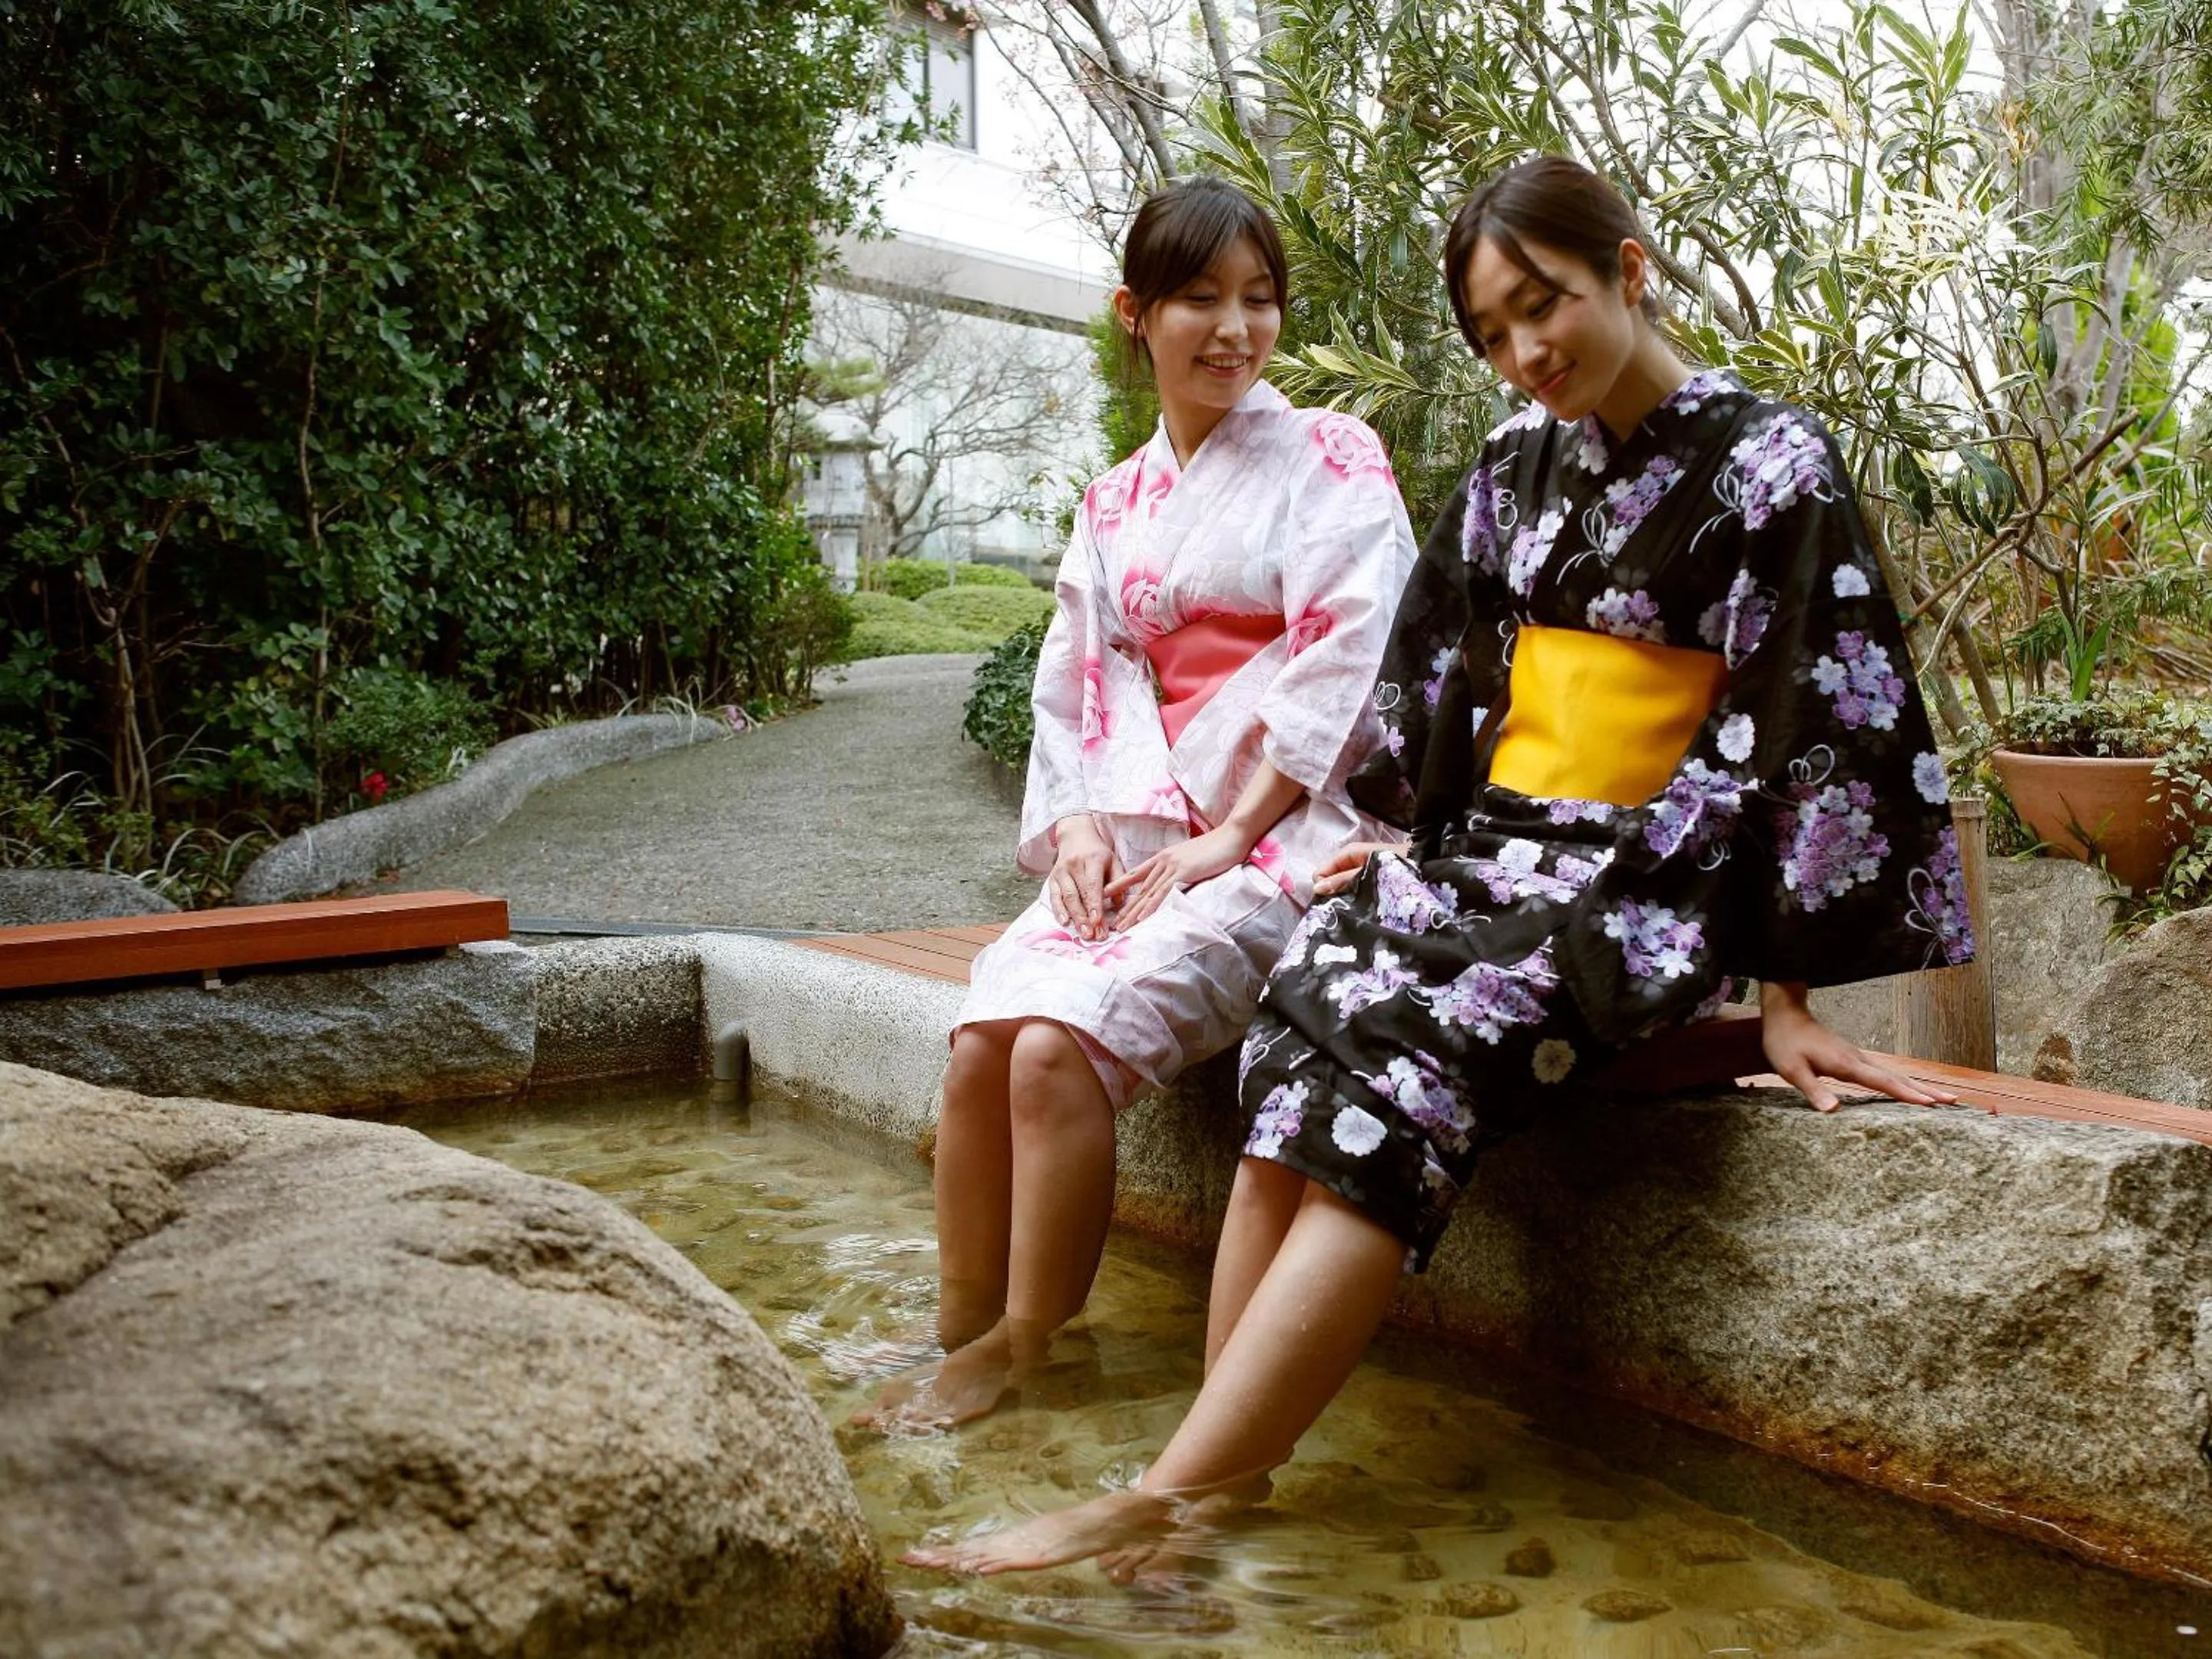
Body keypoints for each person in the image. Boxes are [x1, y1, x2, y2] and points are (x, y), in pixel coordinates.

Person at [904, 154, 1975, 1571]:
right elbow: (1442, 689)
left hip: (1652, 871)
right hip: (1497, 848)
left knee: (1413, 1038)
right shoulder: (1507, 466)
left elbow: (1813, 721)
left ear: (1628, 271)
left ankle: (1167, 1492)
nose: (1529, 353)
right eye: (1495, 333)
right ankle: (1222, 1483)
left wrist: (1784, 998)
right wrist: (1397, 846)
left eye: (1547, 307)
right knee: (1314, 997)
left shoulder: (1773, 465)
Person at [857, 176, 1417, 1434]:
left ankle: (1025, 1339)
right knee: (980, 1043)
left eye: (1260, 300)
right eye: (1201, 300)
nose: (1237, 328)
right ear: (1135, 313)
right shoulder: (1114, 502)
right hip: (1143, 836)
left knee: (1055, 1048)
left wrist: (1233, 833)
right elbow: (1079, 684)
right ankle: (953, 1330)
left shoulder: (1333, 456)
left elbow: (1352, 649)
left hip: (1289, 841)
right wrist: (1079, 831)